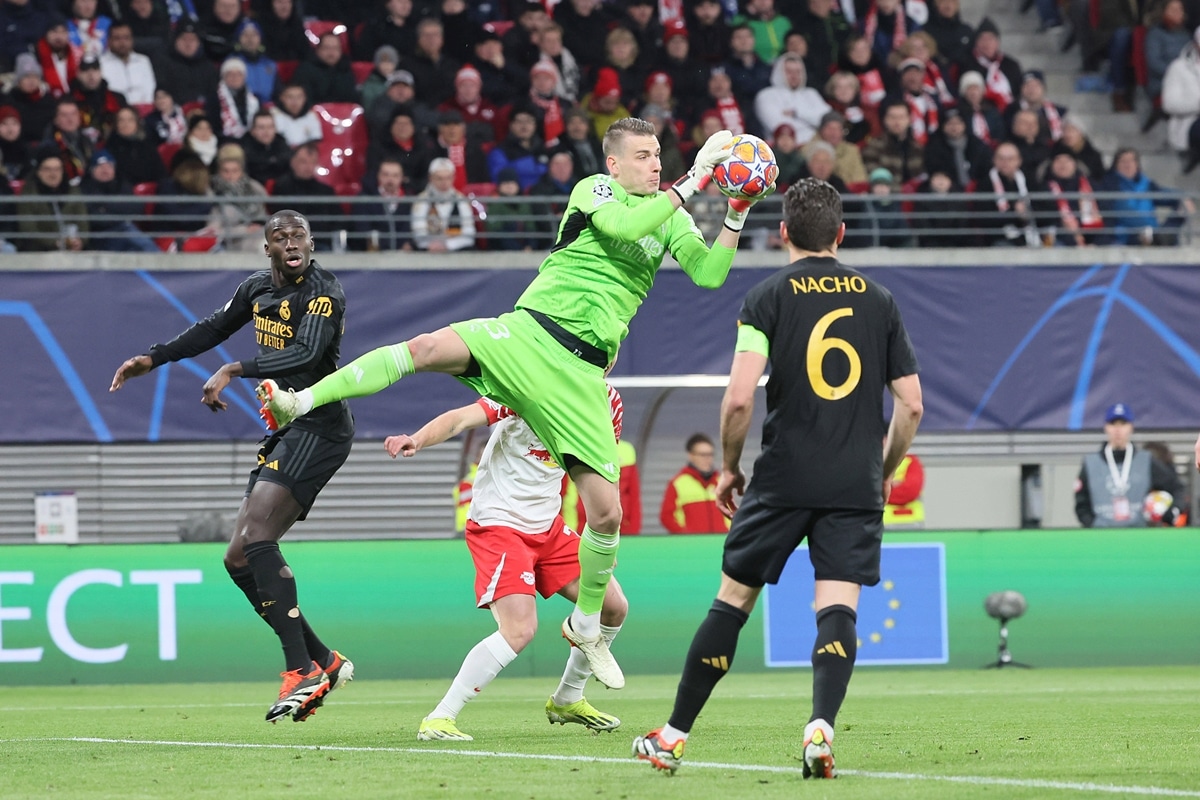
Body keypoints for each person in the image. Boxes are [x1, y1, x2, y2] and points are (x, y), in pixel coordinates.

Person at [257, 119, 765, 691]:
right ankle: (300, 400)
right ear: (615, 164)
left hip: (581, 373)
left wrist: (736, 212)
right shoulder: (596, 192)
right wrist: (695, 177)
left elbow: (710, 273)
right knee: (425, 348)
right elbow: (626, 223)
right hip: (529, 334)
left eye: (658, 155)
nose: (655, 163)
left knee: (606, 514)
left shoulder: (669, 215)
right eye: (644, 156)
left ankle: (587, 625)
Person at [633, 177, 923, 778]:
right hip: (853, 483)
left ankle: (674, 737)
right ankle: (821, 727)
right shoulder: (879, 300)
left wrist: (730, 469)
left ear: (783, 233)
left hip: (784, 476)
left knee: (733, 600)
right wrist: (885, 469)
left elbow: (740, 399)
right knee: (837, 605)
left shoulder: (766, 297)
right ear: (841, 235)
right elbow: (913, 405)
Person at [109, 209, 355, 724]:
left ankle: (300, 670)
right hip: (286, 428)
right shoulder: (256, 288)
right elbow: (213, 327)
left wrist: (232, 368)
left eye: (299, 235)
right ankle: (324, 660)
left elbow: (305, 354)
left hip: (320, 423)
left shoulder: (323, 290)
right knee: (238, 558)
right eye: (280, 236)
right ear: (266, 248)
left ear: (311, 243)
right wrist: (153, 359)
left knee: (259, 537)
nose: (291, 242)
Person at [391, 385, 628, 742]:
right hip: (500, 524)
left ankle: (568, 698)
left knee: (613, 607)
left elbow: (598, 469)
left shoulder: (608, 402)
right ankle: (440, 718)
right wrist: (418, 439)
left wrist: (603, 541)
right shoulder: (527, 385)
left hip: (548, 526)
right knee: (520, 629)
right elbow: (460, 418)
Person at [1075, 403, 1184, 528]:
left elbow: (1177, 487)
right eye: (1113, 424)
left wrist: (1173, 511)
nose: (1118, 430)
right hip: (1101, 534)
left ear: (1131, 427)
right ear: (1106, 427)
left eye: (1123, 424)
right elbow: (1081, 503)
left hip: (1138, 534)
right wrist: (1092, 524)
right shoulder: (1091, 463)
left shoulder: (1146, 460)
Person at [659, 433, 729, 534]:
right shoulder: (678, 483)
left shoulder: (721, 482)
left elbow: (731, 514)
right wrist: (684, 536)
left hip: (720, 543)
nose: (707, 459)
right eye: (702, 455)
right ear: (691, 456)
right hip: (692, 546)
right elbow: (666, 516)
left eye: (710, 454)